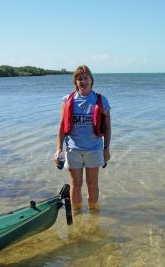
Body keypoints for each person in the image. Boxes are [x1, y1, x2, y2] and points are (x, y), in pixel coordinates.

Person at [54, 65, 111, 210]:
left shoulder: (101, 100)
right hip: (73, 150)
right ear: (75, 82)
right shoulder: (68, 99)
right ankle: (76, 214)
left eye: (85, 78)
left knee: (92, 184)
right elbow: (61, 127)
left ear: (91, 80)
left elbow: (108, 127)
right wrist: (58, 149)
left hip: (94, 148)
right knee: (75, 184)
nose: (82, 81)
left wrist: (106, 149)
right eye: (79, 78)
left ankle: (94, 214)